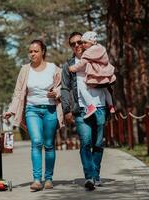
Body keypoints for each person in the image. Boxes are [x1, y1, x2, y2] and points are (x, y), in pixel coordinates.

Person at [4, 39, 63, 191]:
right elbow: (18, 92)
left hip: (50, 109)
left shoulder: (53, 68)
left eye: (36, 51)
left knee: (49, 144)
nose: (32, 54)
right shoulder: (25, 70)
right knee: (36, 142)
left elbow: (62, 87)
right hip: (32, 110)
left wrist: (56, 92)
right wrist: (12, 109)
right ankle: (37, 180)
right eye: (30, 51)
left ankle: (48, 178)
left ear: (43, 52)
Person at [61, 32, 108, 190]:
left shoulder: (98, 58)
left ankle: (96, 175)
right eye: (73, 44)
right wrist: (66, 110)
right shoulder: (68, 65)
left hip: (100, 106)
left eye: (79, 42)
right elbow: (65, 88)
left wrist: (111, 105)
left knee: (98, 144)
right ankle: (89, 177)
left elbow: (108, 77)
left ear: (85, 43)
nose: (77, 46)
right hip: (80, 109)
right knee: (86, 142)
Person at [68, 31, 116, 119]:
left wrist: (72, 68)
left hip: (96, 77)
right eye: (73, 44)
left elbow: (81, 64)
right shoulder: (101, 48)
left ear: (91, 42)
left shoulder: (88, 53)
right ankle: (111, 106)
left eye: (82, 42)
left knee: (82, 87)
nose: (81, 44)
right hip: (104, 74)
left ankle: (91, 106)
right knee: (106, 89)